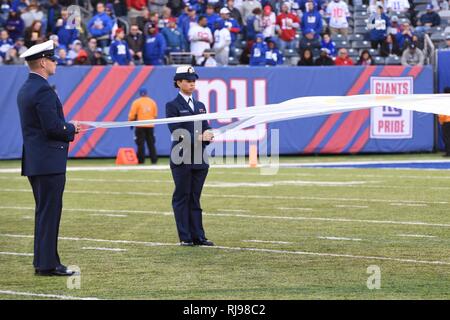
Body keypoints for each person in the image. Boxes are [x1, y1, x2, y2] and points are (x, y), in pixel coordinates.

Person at [17, 40, 80, 276]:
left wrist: (68, 128)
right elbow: (52, 127)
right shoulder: (42, 89)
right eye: (53, 59)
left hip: (37, 161)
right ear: (43, 62)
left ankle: (45, 261)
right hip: (48, 162)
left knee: (45, 212)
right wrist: (71, 128)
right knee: (49, 213)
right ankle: (47, 264)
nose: (55, 63)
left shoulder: (27, 87)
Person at [166, 66, 215, 247]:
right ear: (178, 83)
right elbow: (176, 131)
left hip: (199, 158)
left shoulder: (200, 106)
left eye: (194, 79)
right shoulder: (172, 106)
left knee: (195, 197)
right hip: (181, 157)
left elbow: (205, 125)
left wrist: (209, 133)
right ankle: (185, 236)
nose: (192, 83)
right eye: (188, 80)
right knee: (182, 196)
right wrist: (199, 137)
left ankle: (199, 236)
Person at [128, 88, 158, 164]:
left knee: (140, 144)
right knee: (151, 144)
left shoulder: (136, 102)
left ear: (140, 93)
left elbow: (132, 115)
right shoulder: (152, 102)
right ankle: (154, 160)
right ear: (147, 93)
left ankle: (141, 161)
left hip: (140, 126)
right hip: (150, 126)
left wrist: (131, 123)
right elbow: (155, 115)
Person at [439, 87, 450, 157]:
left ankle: (448, 152)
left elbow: (441, 114)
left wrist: (441, 122)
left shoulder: (443, 101)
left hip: (447, 122)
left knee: (447, 138)